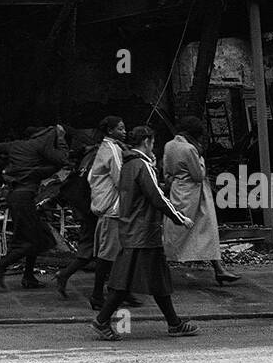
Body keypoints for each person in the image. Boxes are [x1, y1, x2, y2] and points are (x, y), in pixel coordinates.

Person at [91, 126, 200, 341]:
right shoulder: (142, 165)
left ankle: (174, 322)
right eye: (153, 143)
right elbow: (157, 197)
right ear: (147, 142)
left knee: (155, 279)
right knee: (128, 281)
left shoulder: (128, 165)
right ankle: (102, 320)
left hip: (131, 228)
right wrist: (180, 218)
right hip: (144, 231)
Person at [163, 115, 239, 285]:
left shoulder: (169, 145)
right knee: (206, 231)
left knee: (175, 231)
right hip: (196, 195)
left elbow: (166, 171)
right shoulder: (190, 149)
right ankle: (218, 269)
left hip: (178, 191)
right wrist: (201, 160)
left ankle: (219, 269)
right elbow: (198, 175)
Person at [0, 124, 69, 289]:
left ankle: (27, 276)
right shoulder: (36, 157)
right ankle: (3, 265)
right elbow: (61, 160)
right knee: (36, 240)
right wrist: (61, 140)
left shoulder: (16, 147)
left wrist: (6, 168)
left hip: (20, 198)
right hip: (23, 199)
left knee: (40, 237)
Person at [87, 116, 140, 310]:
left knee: (118, 253)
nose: (124, 131)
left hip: (110, 206)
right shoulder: (112, 150)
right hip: (113, 208)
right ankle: (97, 295)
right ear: (110, 131)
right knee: (108, 254)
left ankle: (120, 292)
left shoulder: (108, 148)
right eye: (120, 128)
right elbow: (121, 178)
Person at [53, 129, 99, 298]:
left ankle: (64, 275)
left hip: (86, 209)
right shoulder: (94, 157)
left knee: (89, 248)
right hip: (93, 209)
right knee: (96, 249)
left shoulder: (84, 159)